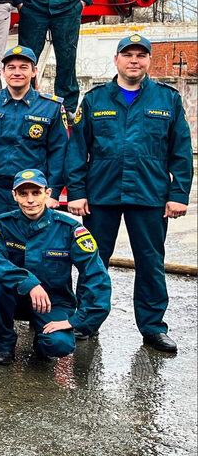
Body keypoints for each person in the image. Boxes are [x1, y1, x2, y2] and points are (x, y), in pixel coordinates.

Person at [66, 34, 193, 353]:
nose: (134, 60)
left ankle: (153, 328)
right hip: (101, 195)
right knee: (93, 260)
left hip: (150, 195)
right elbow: (77, 149)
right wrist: (77, 192)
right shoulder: (95, 100)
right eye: (127, 54)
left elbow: (180, 151)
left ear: (149, 61)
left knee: (151, 261)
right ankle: (87, 320)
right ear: (117, 60)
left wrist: (178, 194)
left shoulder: (168, 99)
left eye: (141, 55)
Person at [0, 46, 68, 326]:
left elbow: (58, 152)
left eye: (23, 67)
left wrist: (53, 193)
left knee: (36, 247)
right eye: (11, 67)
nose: (17, 72)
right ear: (3, 71)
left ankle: (36, 304)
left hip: (32, 191)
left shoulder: (51, 106)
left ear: (34, 71)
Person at [0, 169, 111, 365]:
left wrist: (77, 321)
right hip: (15, 298)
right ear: (14, 196)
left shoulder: (70, 229)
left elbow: (96, 275)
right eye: (23, 194)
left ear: (48, 194)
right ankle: (4, 344)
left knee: (58, 345)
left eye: (36, 193)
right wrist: (29, 283)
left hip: (53, 302)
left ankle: (42, 342)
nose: (30, 200)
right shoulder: (2, 224)